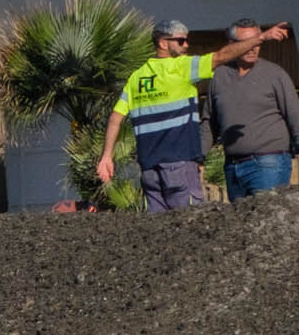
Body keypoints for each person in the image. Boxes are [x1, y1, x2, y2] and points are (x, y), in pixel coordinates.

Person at [95, 19, 273, 213]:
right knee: (189, 229)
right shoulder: (182, 67)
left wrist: (107, 156)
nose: (187, 45)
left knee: (159, 232)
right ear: (163, 43)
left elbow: (115, 117)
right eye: (181, 41)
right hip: (179, 164)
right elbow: (221, 56)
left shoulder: (137, 78)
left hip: (149, 170)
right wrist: (260, 38)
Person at [200, 25, 299, 198]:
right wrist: (199, 159)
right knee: (240, 222)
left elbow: (296, 118)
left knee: (268, 220)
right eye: (247, 43)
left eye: (258, 42)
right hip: (232, 166)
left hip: (269, 163)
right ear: (232, 44)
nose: (253, 48)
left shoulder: (275, 74)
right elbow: (209, 123)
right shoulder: (220, 76)